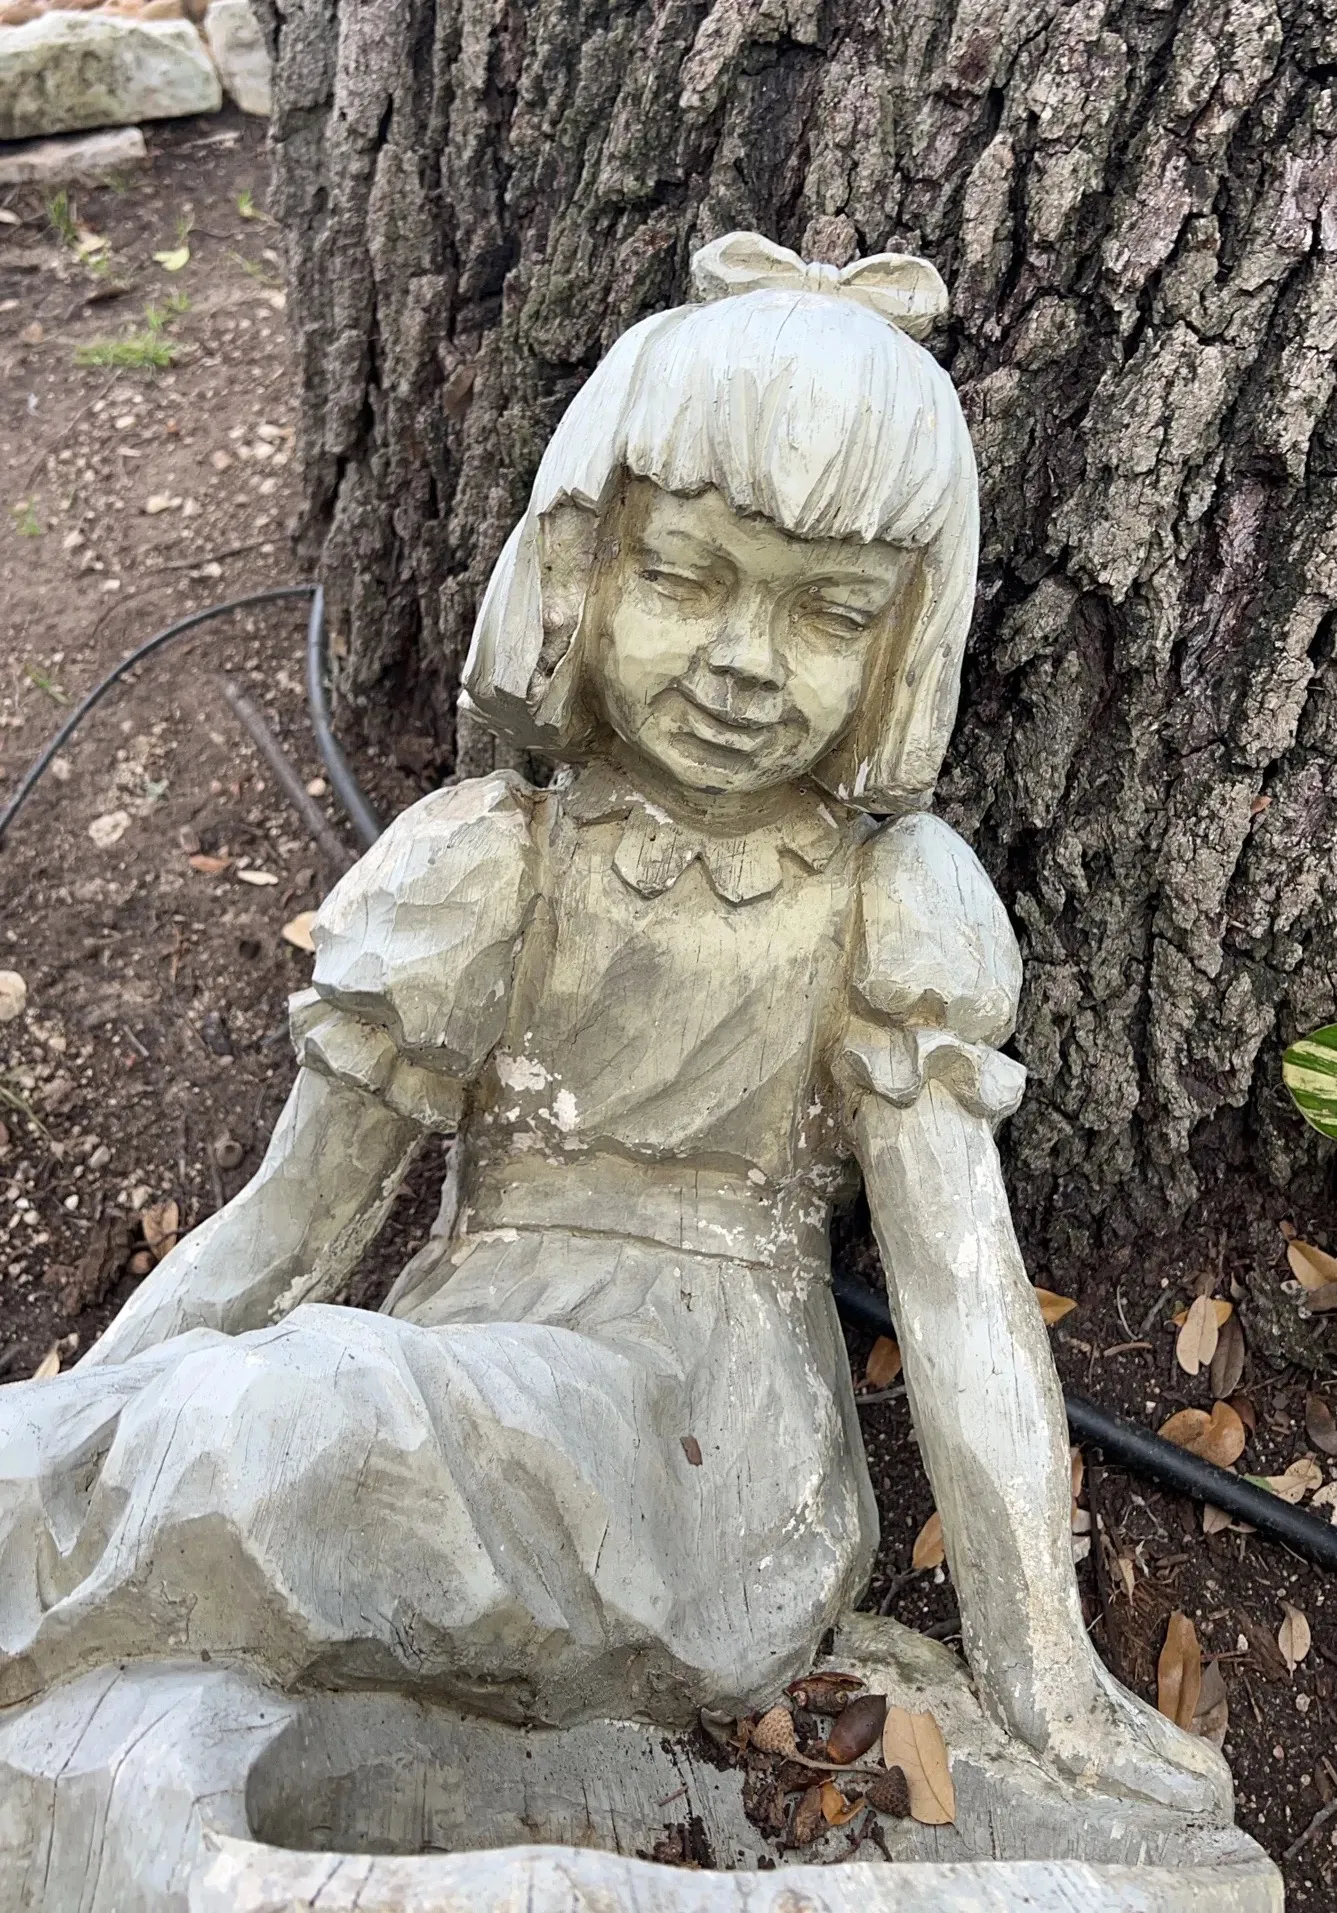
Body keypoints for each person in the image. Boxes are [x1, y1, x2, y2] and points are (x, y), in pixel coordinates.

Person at [0, 234, 1226, 1814]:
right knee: (267, 1415)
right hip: (456, 1386)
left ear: (903, 641)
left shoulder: (888, 901)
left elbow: (961, 1298)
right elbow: (283, 1230)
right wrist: (78, 1411)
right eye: (685, 579)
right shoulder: (488, 861)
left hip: (704, 1475)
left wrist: (1044, 1673)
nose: (743, 665)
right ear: (583, 568)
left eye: (830, 613)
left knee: (289, 1424)